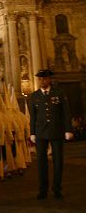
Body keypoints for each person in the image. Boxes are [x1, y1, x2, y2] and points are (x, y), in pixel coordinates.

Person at [29, 69, 73, 199]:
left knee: (58, 161)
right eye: (40, 79)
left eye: (45, 78)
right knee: (41, 162)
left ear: (49, 79)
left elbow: (66, 113)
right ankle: (43, 189)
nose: (42, 81)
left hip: (56, 131)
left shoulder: (58, 93)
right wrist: (32, 132)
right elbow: (33, 117)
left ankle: (57, 188)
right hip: (41, 132)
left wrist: (68, 129)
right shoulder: (34, 96)